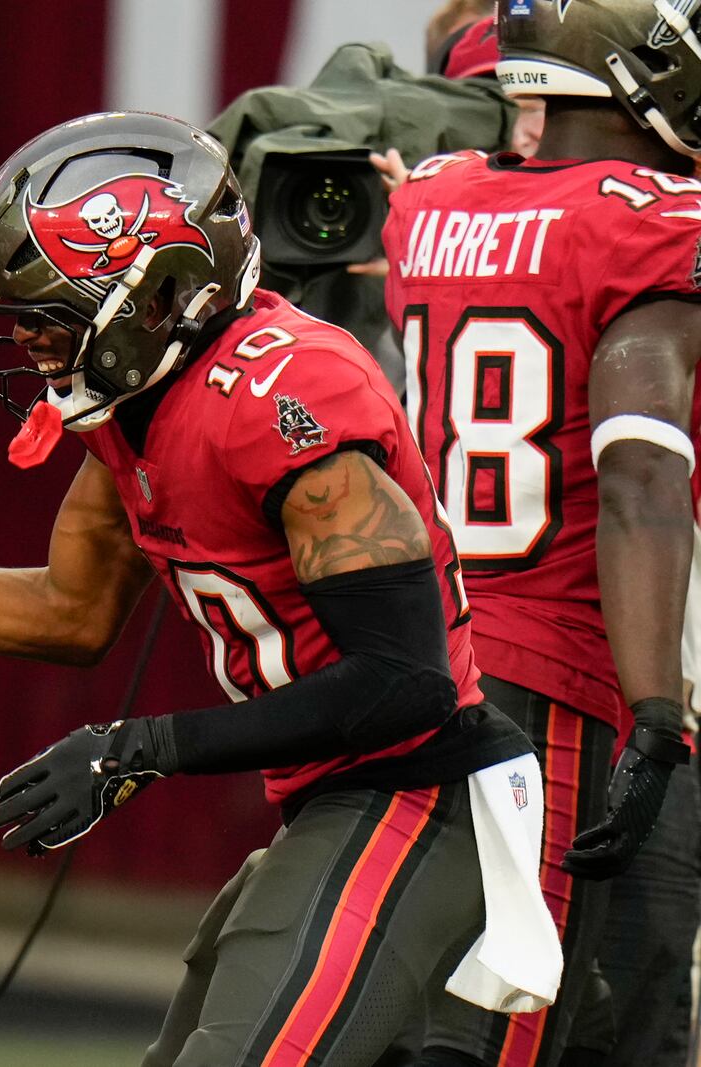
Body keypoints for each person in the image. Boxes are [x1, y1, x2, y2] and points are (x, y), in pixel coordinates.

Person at [0, 110, 559, 1067]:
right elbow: (72, 609)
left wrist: (142, 748)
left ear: (161, 295)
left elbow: (407, 683)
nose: (29, 341)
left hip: (418, 795)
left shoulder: (280, 400)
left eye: (51, 316)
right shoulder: (138, 405)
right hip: (336, 801)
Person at [379, 3, 701, 1064]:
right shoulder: (651, 219)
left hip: (426, 648)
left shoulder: (425, 203)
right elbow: (640, 478)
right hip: (555, 675)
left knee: (438, 993)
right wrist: (656, 708)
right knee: (519, 1015)